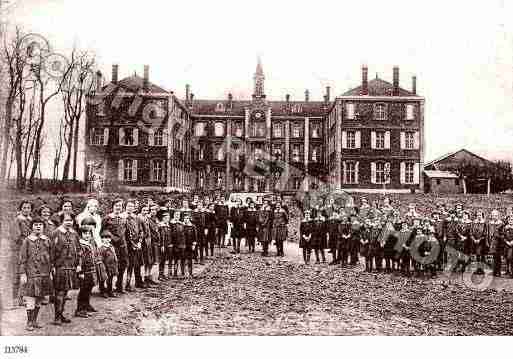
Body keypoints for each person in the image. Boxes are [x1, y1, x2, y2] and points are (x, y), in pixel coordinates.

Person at [18, 216, 53, 331]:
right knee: (31, 299)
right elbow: (23, 259)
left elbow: (50, 257)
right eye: (36, 225)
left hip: (44, 274)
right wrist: (23, 274)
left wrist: (50, 271)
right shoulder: (27, 241)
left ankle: (34, 320)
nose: (38, 227)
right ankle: (29, 322)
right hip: (31, 274)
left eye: (40, 225)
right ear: (32, 227)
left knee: (39, 298)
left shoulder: (47, 240)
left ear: (43, 227)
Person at [50, 213, 81, 325]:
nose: (69, 222)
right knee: (59, 291)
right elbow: (51, 251)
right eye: (67, 220)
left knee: (66, 291)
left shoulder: (74, 234)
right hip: (60, 266)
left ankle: (61, 314)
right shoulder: (56, 233)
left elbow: (78, 250)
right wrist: (52, 266)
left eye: (71, 220)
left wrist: (78, 264)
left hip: (71, 266)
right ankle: (57, 317)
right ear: (62, 221)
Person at [103, 198, 128, 294]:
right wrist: (111, 238)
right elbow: (103, 231)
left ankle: (119, 286)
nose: (118, 208)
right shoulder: (107, 218)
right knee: (111, 266)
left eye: (120, 206)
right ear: (112, 207)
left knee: (123, 265)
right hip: (112, 246)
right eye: (116, 205)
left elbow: (126, 232)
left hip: (123, 246)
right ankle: (109, 288)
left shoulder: (123, 219)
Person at [12, 201, 33, 307]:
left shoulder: (30, 220)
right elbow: (17, 237)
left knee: (27, 274)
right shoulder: (18, 220)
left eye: (28, 208)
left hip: (29, 250)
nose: (26, 210)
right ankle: (15, 299)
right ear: (21, 209)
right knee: (18, 273)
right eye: (24, 208)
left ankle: (23, 297)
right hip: (19, 250)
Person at [75, 227, 98, 318]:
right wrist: (80, 271)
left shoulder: (90, 243)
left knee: (89, 287)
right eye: (85, 234)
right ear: (81, 235)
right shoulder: (81, 245)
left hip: (91, 269)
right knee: (83, 289)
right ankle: (80, 309)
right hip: (84, 270)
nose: (87, 235)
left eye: (89, 233)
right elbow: (79, 258)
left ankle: (87, 305)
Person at [124, 200, 145, 291]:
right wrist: (132, 244)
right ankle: (127, 284)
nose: (130, 208)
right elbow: (125, 234)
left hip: (137, 245)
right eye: (128, 206)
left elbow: (141, 231)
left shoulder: (137, 218)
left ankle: (138, 282)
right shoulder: (122, 218)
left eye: (132, 206)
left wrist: (139, 242)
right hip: (128, 245)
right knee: (129, 265)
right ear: (125, 207)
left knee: (138, 264)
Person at [98, 231, 118, 298]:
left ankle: (110, 290)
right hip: (105, 266)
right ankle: (103, 291)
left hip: (112, 266)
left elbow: (114, 255)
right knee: (103, 279)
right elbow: (100, 258)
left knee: (110, 279)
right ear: (102, 239)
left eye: (108, 238)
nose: (107, 239)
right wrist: (102, 266)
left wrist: (115, 262)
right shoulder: (101, 248)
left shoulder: (111, 247)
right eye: (105, 238)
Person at [147, 205, 162, 284]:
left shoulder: (156, 219)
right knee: (152, 260)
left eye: (155, 210)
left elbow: (158, 230)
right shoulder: (148, 219)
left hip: (157, 242)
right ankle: (150, 277)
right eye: (152, 210)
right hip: (151, 242)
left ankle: (153, 277)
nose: (153, 211)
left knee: (156, 260)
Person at [158, 209, 172, 280]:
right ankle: (160, 275)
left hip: (168, 245)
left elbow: (170, 236)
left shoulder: (168, 226)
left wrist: (170, 243)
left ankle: (164, 274)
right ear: (163, 218)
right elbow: (160, 237)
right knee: (162, 260)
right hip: (163, 245)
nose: (167, 219)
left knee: (166, 260)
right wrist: (162, 245)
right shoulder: (160, 226)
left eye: (168, 218)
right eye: (166, 218)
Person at [488, 210, 503, 277]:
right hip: (492, 242)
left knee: (498, 257)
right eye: (493, 215)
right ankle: (494, 271)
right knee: (494, 257)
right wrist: (488, 241)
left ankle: (498, 271)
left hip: (499, 243)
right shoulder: (490, 223)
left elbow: (503, 234)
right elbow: (488, 233)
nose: (494, 217)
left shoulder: (501, 223)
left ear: (498, 216)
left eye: (496, 215)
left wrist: (498, 236)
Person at [182, 213, 197, 277]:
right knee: (183, 259)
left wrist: (194, 244)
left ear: (189, 219)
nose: (186, 219)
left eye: (187, 218)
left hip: (190, 244)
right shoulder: (181, 225)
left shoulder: (192, 226)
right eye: (185, 218)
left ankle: (190, 272)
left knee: (190, 259)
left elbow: (195, 236)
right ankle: (183, 273)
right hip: (183, 245)